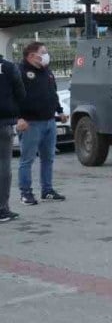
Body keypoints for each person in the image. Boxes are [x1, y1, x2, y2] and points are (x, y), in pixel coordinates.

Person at [17, 42, 66, 205]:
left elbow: (53, 93)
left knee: (48, 158)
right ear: (31, 55)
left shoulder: (47, 72)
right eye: (43, 52)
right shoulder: (20, 72)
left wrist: (59, 111)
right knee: (27, 160)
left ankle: (47, 190)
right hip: (30, 123)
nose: (46, 55)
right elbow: (12, 97)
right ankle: (26, 193)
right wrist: (19, 118)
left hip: (49, 121)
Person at [0, 52, 25, 222]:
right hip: (3, 122)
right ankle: (2, 208)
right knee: (3, 165)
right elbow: (21, 93)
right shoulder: (8, 67)